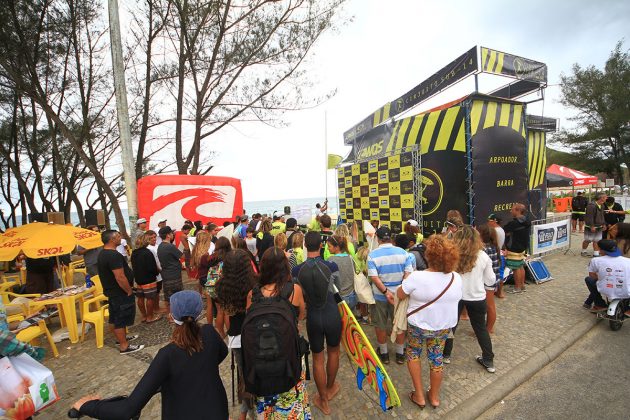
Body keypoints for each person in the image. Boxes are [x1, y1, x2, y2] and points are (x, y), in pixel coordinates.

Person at [73, 291, 229, 419]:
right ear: (198, 311)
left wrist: (87, 406)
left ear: (171, 316)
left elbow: (127, 410)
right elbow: (222, 353)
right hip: (218, 411)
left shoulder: (167, 355)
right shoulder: (209, 332)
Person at [396, 234, 462, 409]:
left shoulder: (417, 277)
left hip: (418, 325)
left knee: (413, 354)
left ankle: (419, 395)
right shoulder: (456, 277)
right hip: (442, 327)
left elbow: (400, 294)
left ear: (428, 255)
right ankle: (434, 396)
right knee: (436, 359)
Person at [251, 247, 309, 418]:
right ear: (285, 266)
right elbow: (302, 314)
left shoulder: (252, 293)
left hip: (261, 358)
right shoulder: (294, 290)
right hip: (289, 354)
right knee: (293, 402)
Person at [291, 234, 340, 415]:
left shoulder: (296, 271)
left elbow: (299, 295)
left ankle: (323, 399)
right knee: (334, 351)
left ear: (304, 245)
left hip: (313, 315)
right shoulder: (331, 266)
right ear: (321, 245)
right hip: (331, 312)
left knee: (318, 357)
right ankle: (330, 386)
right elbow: (338, 292)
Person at [443, 226, 496, 373]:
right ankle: (488, 360)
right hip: (477, 297)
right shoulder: (483, 256)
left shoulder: (452, 254)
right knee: (480, 328)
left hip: (456, 297)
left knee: (451, 326)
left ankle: (446, 355)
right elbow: (491, 280)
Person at [215, 249, 257, 420]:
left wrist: (223, 332)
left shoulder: (221, 286)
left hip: (236, 337)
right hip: (252, 335)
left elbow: (224, 313)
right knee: (252, 375)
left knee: (243, 374)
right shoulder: (254, 285)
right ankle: (246, 411)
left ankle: (245, 410)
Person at [367, 226, 414, 365]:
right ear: (391, 238)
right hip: (399, 296)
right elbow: (408, 273)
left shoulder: (372, 255)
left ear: (378, 239)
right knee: (399, 323)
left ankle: (384, 354)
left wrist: (386, 292)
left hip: (380, 296)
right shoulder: (404, 253)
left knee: (380, 324)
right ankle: (400, 354)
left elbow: (374, 278)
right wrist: (400, 291)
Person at [97, 230, 144, 354]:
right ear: (112, 240)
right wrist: (128, 290)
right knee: (120, 319)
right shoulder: (113, 255)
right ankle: (124, 346)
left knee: (115, 317)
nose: (120, 238)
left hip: (113, 292)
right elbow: (120, 276)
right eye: (118, 236)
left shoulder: (103, 253)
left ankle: (120, 338)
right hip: (119, 292)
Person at [583, 239, 630, 315]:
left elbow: (592, 276)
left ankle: (599, 304)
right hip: (626, 291)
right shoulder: (628, 261)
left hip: (605, 290)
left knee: (588, 280)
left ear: (602, 250)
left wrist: (604, 278)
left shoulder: (595, 260)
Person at [131, 234, 162, 323]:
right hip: (148, 279)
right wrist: (156, 273)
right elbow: (152, 267)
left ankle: (144, 316)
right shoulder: (147, 252)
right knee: (150, 298)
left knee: (140, 297)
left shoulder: (134, 252)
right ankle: (150, 316)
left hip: (139, 278)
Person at [504, 203, 531, 293]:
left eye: (512, 209)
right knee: (520, 266)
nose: (510, 211)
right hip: (523, 247)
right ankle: (522, 286)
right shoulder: (527, 220)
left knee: (516, 268)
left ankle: (517, 288)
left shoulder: (514, 223)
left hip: (514, 247)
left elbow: (505, 230)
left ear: (518, 211)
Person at [478, 224, 500, 333]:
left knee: (489, 306)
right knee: (489, 306)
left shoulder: (484, 249)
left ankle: (489, 329)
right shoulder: (494, 246)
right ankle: (488, 328)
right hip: (493, 279)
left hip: (488, 281)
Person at [157, 226, 183, 313]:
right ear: (168, 235)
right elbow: (182, 256)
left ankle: (170, 315)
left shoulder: (160, 246)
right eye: (172, 233)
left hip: (166, 275)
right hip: (174, 275)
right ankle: (176, 314)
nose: (173, 234)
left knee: (168, 298)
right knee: (177, 297)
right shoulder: (170, 247)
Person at [327, 235, 357, 310]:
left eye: (329, 246)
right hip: (352, 296)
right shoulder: (350, 257)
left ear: (336, 247)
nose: (328, 248)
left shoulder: (331, 260)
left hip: (339, 297)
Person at [582, 192, 607, 257]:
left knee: (597, 240)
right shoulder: (591, 205)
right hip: (590, 226)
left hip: (599, 226)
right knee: (588, 240)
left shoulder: (602, 205)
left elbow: (602, 216)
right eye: (605, 197)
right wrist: (592, 226)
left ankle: (596, 253)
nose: (606, 198)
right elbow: (589, 217)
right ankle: (583, 251)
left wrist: (604, 224)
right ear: (601, 198)